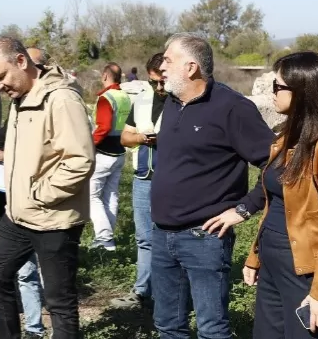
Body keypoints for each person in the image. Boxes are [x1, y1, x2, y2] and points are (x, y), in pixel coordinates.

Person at [151, 33, 274, 339]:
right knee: (168, 325)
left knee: (212, 330)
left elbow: (277, 165)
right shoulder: (172, 103)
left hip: (203, 238)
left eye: (168, 60)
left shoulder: (232, 107)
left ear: (190, 67)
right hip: (161, 233)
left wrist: (243, 209)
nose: (161, 67)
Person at [0, 37, 95, 339]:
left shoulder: (61, 99)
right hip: (17, 215)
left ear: (21, 62)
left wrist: (39, 194)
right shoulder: (21, 97)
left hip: (54, 218)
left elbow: (79, 161)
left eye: (1, 77)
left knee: (59, 302)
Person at [243, 52, 318, 338]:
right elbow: (277, 206)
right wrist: (255, 256)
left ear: (303, 93)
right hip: (274, 263)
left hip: (307, 270)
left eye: (278, 87)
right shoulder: (288, 139)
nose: (272, 93)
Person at [110, 53, 166, 309]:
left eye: (162, 80)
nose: (158, 87)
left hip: (172, 179)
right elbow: (125, 137)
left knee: (171, 238)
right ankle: (142, 291)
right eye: (153, 81)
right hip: (143, 177)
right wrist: (143, 139)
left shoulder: (183, 103)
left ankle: (169, 293)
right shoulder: (142, 100)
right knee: (144, 238)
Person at [88, 62, 131, 251]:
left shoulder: (106, 98)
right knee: (111, 195)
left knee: (91, 196)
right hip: (120, 152)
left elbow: (103, 127)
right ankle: (108, 237)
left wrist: (88, 145)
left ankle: (104, 238)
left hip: (103, 153)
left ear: (105, 76)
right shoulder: (124, 97)